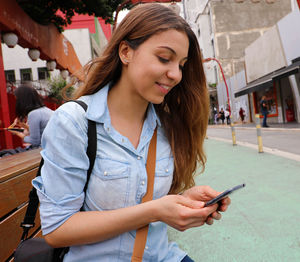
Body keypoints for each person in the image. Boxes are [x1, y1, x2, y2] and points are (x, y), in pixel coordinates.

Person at [32, 4, 230, 262]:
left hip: (163, 256)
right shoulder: (75, 123)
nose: (176, 75)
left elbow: (144, 200)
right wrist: (155, 211)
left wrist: (182, 201)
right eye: (164, 58)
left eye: (181, 64)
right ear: (126, 51)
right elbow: (57, 229)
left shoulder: (167, 126)